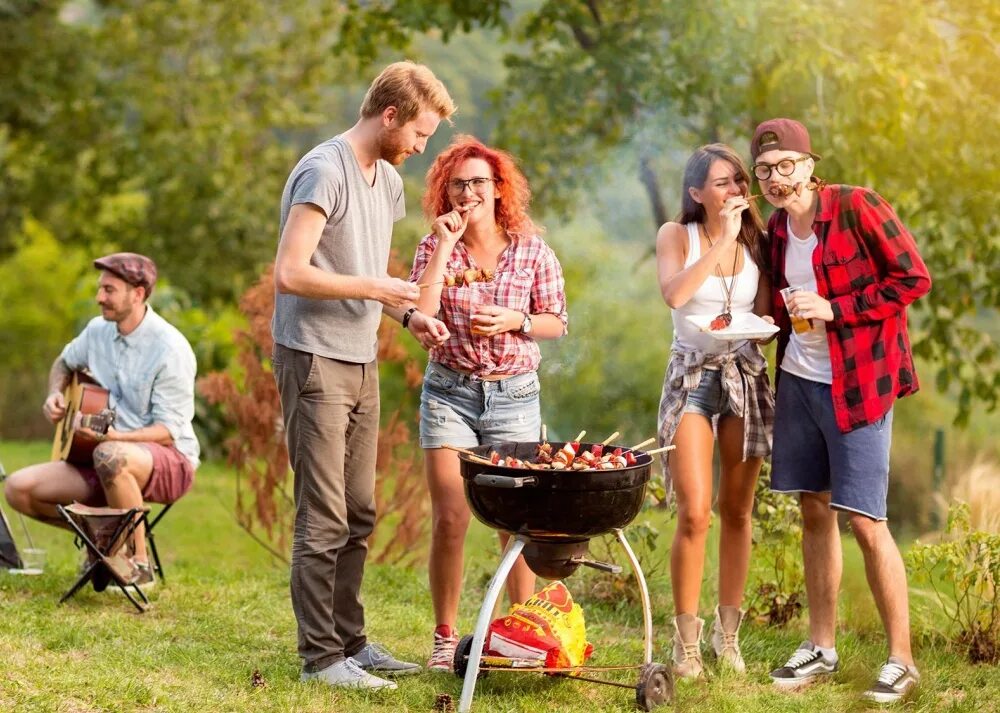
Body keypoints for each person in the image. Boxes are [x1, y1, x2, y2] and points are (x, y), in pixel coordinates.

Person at [271, 61, 455, 691]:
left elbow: (366, 270)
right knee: (321, 513)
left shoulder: (387, 182)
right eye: (419, 135)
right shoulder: (325, 170)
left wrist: (405, 316)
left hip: (361, 355)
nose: (420, 147)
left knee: (359, 509)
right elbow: (291, 272)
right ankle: (320, 658)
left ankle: (351, 643)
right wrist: (379, 286)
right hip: (313, 354)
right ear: (389, 115)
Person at [750, 118, 931, 704]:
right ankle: (821, 647)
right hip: (801, 380)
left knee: (866, 521)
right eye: (764, 172)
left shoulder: (857, 207)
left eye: (785, 166)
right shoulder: (778, 229)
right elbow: (781, 304)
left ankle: (901, 660)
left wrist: (837, 308)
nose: (776, 180)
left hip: (860, 385)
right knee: (814, 510)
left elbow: (912, 279)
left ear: (809, 163)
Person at [408, 135, 568, 671]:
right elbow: (420, 312)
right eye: (458, 184)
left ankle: (519, 636)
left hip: (514, 394)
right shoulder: (434, 246)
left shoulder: (531, 249)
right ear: (445, 191)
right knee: (451, 517)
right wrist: (446, 246)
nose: (469, 191)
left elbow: (555, 321)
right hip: (449, 391)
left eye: (479, 182)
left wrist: (515, 320)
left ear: (499, 189)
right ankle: (445, 638)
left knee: (515, 523)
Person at [4, 252, 199, 589]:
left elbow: (168, 431)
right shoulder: (97, 331)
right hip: (98, 453)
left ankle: (139, 564)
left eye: (109, 290)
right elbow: (64, 364)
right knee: (19, 489)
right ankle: (106, 545)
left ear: (137, 294)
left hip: (166, 459)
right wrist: (54, 394)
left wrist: (115, 437)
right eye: (100, 289)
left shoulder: (170, 349)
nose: (99, 298)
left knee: (111, 456)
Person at [654, 144, 775, 679]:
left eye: (737, 182)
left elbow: (765, 314)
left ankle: (729, 639)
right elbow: (676, 296)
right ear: (696, 192)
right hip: (692, 379)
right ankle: (686, 643)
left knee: (738, 509)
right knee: (695, 511)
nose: (734, 192)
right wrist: (721, 239)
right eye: (722, 183)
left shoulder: (758, 240)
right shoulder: (676, 235)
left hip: (745, 374)